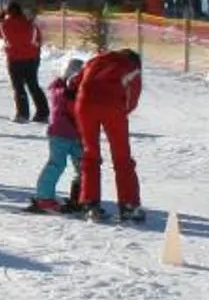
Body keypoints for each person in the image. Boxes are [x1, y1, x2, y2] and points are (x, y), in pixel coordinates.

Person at [74, 46, 145, 223]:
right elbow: (132, 99)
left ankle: (90, 204)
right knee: (122, 157)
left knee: (90, 154)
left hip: (84, 105)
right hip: (112, 107)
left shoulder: (94, 61)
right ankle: (128, 204)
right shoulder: (132, 68)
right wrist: (121, 112)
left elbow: (75, 83)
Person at [28, 54, 86, 211]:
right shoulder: (60, 90)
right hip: (60, 134)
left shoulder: (76, 91)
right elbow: (69, 104)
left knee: (83, 166)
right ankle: (44, 197)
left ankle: (81, 197)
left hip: (77, 135)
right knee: (56, 164)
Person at [0, 0, 47, 122]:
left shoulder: (5, 25)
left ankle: (23, 114)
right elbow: (38, 39)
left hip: (14, 59)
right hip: (32, 58)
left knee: (18, 87)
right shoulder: (30, 24)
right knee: (33, 85)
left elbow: (3, 35)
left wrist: (2, 17)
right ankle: (43, 112)